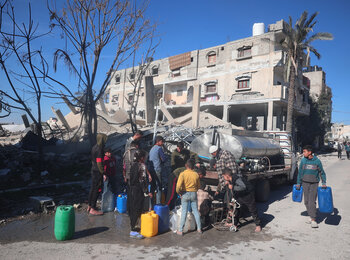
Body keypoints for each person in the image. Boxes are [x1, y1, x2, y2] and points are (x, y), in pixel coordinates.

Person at [296, 145, 327, 228]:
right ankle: (311, 215)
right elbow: (300, 173)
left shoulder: (317, 161)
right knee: (306, 201)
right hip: (305, 183)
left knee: (311, 201)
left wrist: (324, 182)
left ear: (309, 152)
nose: (303, 153)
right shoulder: (303, 161)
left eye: (304, 152)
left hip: (314, 183)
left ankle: (313, 220)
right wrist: (298, 183)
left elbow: (322, 172)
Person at [222, 168, 262, 232]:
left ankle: (258, 225)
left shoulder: (237, 179)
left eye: (223, 176)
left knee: (252, 209)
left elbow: (243, 187)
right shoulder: (231, 179)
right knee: (237, 209)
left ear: (227, 176)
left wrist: (233, 187)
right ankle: (234, 224)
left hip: (248, 195)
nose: (223, 178)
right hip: (240, 196)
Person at [128, 150, 152, 239]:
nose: (145, 158)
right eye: (144, 157)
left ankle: (133, 226)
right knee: (137, 208)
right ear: (142, 158)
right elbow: (142, 180)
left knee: (133, 207)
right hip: (138, 190)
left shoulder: (133, 165)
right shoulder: (141, 166)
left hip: (131, 189)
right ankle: (133, 230)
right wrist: (147, 192)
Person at [176, 159, 202, 235]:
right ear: (193, 166)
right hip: (193, 193)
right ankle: (199, 229)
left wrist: (179, 192)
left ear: (186, 166)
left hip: (185, 193)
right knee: (196, 211)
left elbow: (178, 186)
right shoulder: (196, 174)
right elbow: (198, 186)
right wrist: (194, 190)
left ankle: (180, 230)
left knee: (184, 211)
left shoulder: (182, 174)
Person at [88, 133, 108, 215]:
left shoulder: (94, 147)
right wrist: (103, 173)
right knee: (97, 189)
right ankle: (93, 208)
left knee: (93, 188)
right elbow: (99, 162)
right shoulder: (99, 149)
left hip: (93, 170)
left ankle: (89, 205)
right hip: (97, 172)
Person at [149, 136, 168, 204]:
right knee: (159, 187)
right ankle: (158, 204)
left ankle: (151, 205)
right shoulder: (159, 148)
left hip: (151, 170)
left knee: (152, 186)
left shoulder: (152, 148)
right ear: (159, 141)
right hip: (157, 169)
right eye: (162, 141)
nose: (162, 143)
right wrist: (166, 157)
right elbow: (163, 159)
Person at [101, 148, 117, 212]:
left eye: (110, 152)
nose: (110, 153)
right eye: (108, 152)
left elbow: (114, 165)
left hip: (112, 175)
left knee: (113, 189)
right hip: (107, 176)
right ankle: (105, 204)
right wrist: (104, 175)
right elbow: (103, 169)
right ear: (105, 153)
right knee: (106, 189)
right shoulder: (105, 159)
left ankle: (112, 203)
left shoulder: (113, 158)